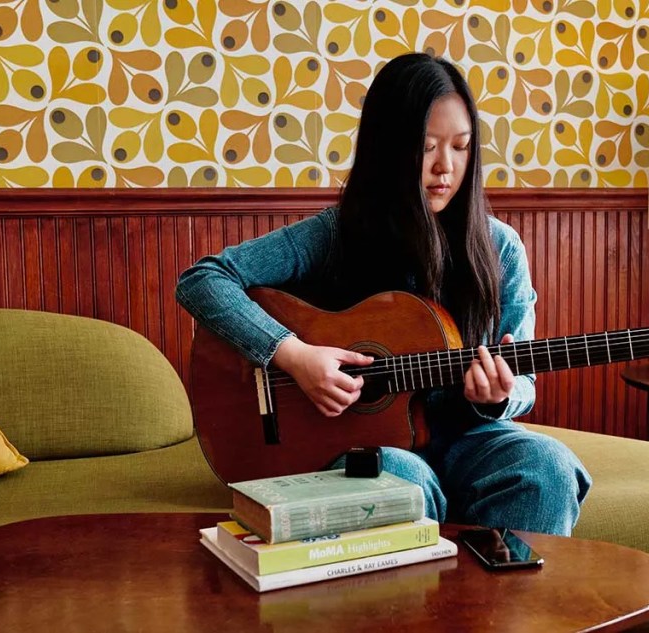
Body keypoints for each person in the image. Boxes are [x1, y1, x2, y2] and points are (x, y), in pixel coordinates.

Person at [176, 53, 592, 536]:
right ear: (387, 148)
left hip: (469, 436)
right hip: (367, 446)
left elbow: (524, 382)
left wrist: (499, 397)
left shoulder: (500, 248)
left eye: (460, 147)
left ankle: (501, 608)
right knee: (401, 479)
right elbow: (203, 279)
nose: (445, 167)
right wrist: (293, 356)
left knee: (547, 464)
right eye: (427, 147)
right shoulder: (335, 235)